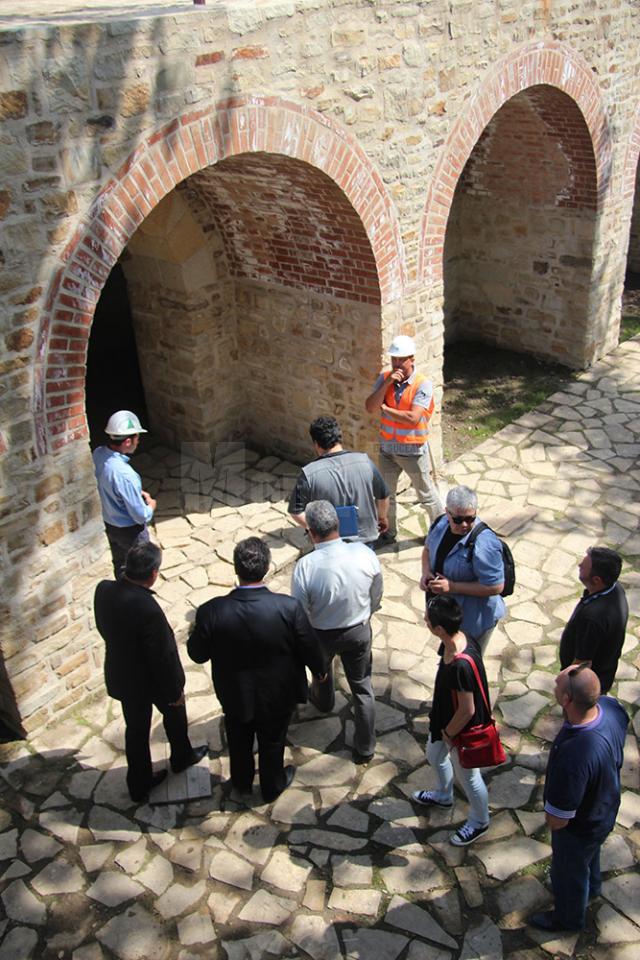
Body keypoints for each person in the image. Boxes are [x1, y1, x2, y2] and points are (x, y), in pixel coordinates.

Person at [187, 537, 327, 803]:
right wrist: (320, 672)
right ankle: (272, 785)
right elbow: (308, 646)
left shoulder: (211, 611)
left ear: (236, 568)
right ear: (267, 566)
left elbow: (197, 654)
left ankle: (241, 782)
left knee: (238, 740)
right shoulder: (288, 608)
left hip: (234, 693)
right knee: (272, 741)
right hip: (278, 694)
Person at [94, 541, 207, 803]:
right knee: (175, 716)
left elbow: (103, 626)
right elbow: (163, 657)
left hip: (123, 675)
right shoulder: (148, 610)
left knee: (135, 731)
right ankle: (181, 756)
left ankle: (139, 783)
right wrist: (175, 690)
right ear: (154, 574)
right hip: (152, 681)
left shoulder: (104, 590)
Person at [528, 665, 628, 932]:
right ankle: (592, 887)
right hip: (604, 810)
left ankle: (568, 919)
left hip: (579, 827)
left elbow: (557, 820)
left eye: (557, 684)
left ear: (566, 700)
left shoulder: (574, 755)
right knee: (588, 856)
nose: (555, 682)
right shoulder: (611, 707)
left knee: (568, 872)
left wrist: (554, 821)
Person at [291, 500, 383, 764]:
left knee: (320, 673)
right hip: (358, 631)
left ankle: (324, 701)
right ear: (338, 524)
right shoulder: (364, 554)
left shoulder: (305, 567)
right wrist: (366, 614)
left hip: (321, 634)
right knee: (362, 688)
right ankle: (365, 747)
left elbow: (299, 610)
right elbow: (376, 593)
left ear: (311, 532)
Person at [412, 595, 491, 846]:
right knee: (434, 755)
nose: (425, 620)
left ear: (439, 629)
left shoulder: (460, 665)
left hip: (459, 729)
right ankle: (444, 795)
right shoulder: (457, 638)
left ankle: (480, 821)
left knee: (468, 777)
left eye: (428, 619)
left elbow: (467, 709)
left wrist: (449, 733)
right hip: (443, 720)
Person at [364, 335, 443, 544]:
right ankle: (388, 534)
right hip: (387, 451)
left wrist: (387, 410)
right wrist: (387, 382)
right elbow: (370, 406)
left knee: (426, 494)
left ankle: (442, 532)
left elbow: (413, 418)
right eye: (394, 359)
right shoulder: (385, 378)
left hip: (412, 452)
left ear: (412, 359)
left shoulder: (422, 384)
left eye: (402, 359)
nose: (397, 364)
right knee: (385, 496)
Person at [420, 485, 505, 653]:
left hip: (473, 620)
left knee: (464, 661)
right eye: (458, 520)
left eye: (470, 519)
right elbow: (427, 550)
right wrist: (426, 572)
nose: (464, 524)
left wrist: (452, 587)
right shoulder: (440, 524)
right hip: (449, 614)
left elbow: (496, 586)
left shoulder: (485, 545)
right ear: (447, 512)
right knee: (450, 654)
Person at [288, 416, 390, 546]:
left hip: (331, 544)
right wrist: (382, 517)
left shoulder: (308, 474)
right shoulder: (365, 462)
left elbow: (295, 511)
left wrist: (314, 529)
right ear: (340, 437)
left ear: (316, 443)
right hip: (366, 540)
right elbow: (383, 495)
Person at [93, 409, 156, 577]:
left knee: (120, 564)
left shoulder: (98, 454)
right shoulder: (126, 475)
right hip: (130, 532)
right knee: (141, 571)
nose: (138, 441)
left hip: (110, 524)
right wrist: (150, 506)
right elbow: (140, 515)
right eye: (137, 438)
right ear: (128, 441)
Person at [559, 547, 628, 693]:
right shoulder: (616, 588)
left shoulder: (592, 618)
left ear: (597, 580)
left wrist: (567, 686)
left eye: (584, 565)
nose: (579, 565)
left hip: (587, 685)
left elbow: (582, 664)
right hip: (605, 673)